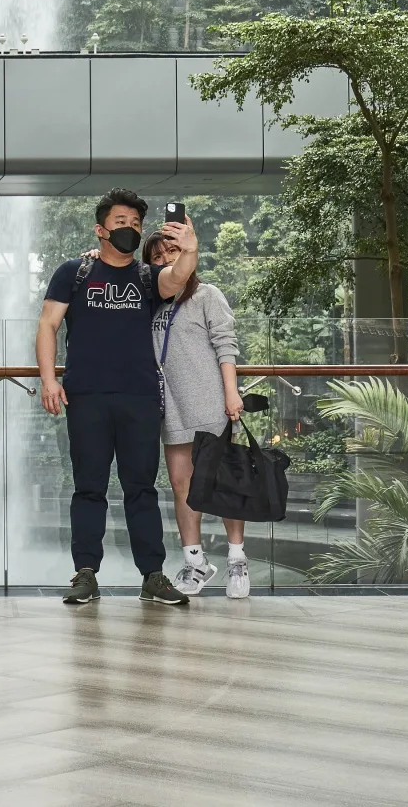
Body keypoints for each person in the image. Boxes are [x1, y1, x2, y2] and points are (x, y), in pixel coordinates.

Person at [36, 190, 197, 607]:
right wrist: (50, 379)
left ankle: (152, 575)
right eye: (121, 222)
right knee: (88, 487)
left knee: (141, 488)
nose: (129, 229)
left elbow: (176, 278)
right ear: (101, 229)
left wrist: (190, 247)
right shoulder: (74, 272)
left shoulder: (147, 276)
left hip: (139, 397)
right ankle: (85, 573)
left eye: (135, 224)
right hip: (85, 395)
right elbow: (48, 325)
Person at [144, 230, 249, 599]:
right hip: (170, 407)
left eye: (172, 250)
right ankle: (195, 563)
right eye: (157, 256)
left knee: (221, 484)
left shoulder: (208, 296)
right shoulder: (149, 299)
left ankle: (237, 560)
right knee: (181, 485)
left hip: (209, 404)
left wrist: (231, 393)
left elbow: (226, 345)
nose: (166, 260)